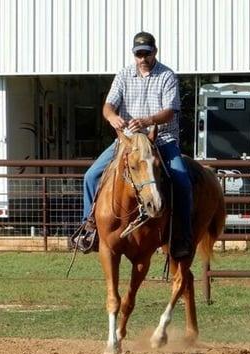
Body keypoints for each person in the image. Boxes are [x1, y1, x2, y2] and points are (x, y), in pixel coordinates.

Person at [72, 31, 193, 258]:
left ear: (154, 52)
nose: (143, 58)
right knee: (91, 176)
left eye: (146, 53)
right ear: (134, 55)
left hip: (160, 138)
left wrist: (148, 120)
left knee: (182, 179)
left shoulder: (167, 76)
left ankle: (181, 235)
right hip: (127, 140)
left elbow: (169, 112)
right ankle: (89, 226)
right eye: (139, 54)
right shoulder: (124, 75)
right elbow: (109, 105)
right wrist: (111, 117)